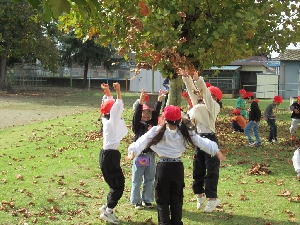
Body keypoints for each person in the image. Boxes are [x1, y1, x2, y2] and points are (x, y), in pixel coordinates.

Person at [127, 105, 225, 225]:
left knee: (162, 200)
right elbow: (201, 141)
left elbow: (142, 141)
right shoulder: (184, 131)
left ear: (164, 117)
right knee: (176, 199)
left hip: (163, 168)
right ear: (179, 119)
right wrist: (215, 150)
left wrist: (133, 151)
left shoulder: (156, 131)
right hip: (177, 168)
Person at [177, 67, 223, 213]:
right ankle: (200, 195)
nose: (202, 97)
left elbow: (207, 97)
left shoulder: (213, 106)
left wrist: (198, 80)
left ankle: (212, 198)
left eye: (206, 95)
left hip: (210, 138)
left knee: (211, 170)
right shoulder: (199, 104)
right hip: (198, 139)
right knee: (198, 169)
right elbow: (193, 93)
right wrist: (187, 78)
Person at [98, 82, 128, 224]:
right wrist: (118, 91)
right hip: (110, 156)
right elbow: (117, 106)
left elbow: (111, 105)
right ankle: (108, 211)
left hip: (106, 155)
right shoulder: (111, 122)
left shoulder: (106, 118)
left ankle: (107, 206)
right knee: (118, 185)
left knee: (114, 184)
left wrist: (109, 92)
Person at [130, 89, 163, 209]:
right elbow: (137, 114)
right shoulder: (137, 125)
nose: (146, 115)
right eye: (144, 113)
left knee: (149, 179)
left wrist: (159, 100)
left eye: (148, 113)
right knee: (137, 179)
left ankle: (147, 199)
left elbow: (156, 113)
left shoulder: (152, 123)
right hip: (141, 155)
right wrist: (140, 101)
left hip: (151, 155)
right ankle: (136, 200)